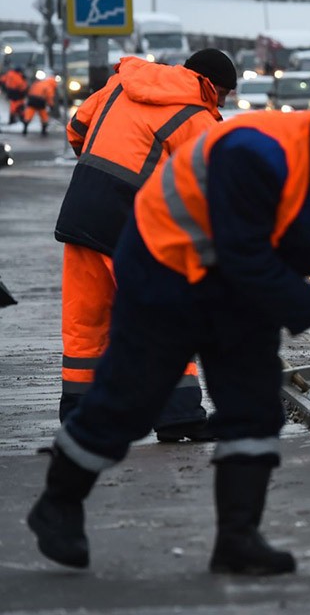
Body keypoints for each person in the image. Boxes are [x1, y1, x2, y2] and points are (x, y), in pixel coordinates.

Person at [27, 90, 310, 576]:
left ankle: (237, 540)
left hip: (240, 288)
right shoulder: (256, 152)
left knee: (253, 408)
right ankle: (58, 504)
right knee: (129, 400)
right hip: (167, 271)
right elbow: (244, 256)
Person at [55, 48, 237, 442]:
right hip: (133, 226)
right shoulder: (196, 118)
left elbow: (76, 129)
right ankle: (179, 416)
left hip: (83, 210)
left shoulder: (120, 83)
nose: (222, 104)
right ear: (209, 84)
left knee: (85, 322)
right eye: (223, 95)